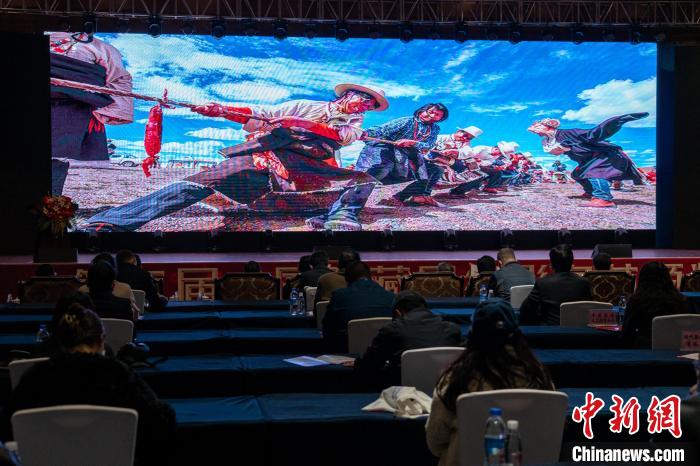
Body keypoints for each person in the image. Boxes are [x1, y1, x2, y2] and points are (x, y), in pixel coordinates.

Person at [84, 83, 388, 232]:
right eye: (364, 99)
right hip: (268, 158)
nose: (365, 106)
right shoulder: (304, 104)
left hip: (308, 168)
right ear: (347, 95)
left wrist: (298, 124)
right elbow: (261, 114)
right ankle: (111, 222)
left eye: (370, 105)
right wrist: (222, 110)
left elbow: (336, 136)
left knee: (363, 180)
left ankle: (335, 215)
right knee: (201, 183)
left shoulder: (355, 126)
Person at [3, 306, 176, 465]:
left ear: (60, 342)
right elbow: (161, 422)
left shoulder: (35, 377)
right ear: (101, 340)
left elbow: (7, 427)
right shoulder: (118, 374)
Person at [426, 299, 554, 466]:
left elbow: (435, 441)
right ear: (517, 335)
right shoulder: (537, 374)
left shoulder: (455, 378)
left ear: (472, 335)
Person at [49, 32, 133, 195]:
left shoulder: (102, 49)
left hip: (72, 111)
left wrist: (107, 109)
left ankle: (50, 206)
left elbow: (119, 78)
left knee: (57, 161)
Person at [527, 113, 649, 207]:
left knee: (595, 172)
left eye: (538, 129)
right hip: (590, 159)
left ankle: (603, 198)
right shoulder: (551, 139)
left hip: (605, 155)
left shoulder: (568, 133)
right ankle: (590, 192)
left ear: (547, 127)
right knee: (577, 174)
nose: (537, 133)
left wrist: (616, 121)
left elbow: (593, 133)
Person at [353, 291, 463, 387]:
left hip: (403, 395)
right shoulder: (451, 329)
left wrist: (357, 362)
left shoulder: (392, 329)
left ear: (397, 313)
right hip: (444, 393)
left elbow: (368, 365)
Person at [356, 103, 449, 206]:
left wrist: (413, 143)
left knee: (435, 170)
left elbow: (429, 144)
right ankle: (350, 201)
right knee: (380, 169)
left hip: (406, 154)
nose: (432, 116)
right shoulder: (407, 121)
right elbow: (383, 130)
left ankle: (413, 196)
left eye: (437, 115)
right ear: (423, 110)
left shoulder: (435, 129)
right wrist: (365, 133)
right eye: (431, 112)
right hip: (383, 148)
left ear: (440, 119)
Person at [322, 261, 395, 352]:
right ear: (370, 276)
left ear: (347, 279)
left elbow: (327, 329)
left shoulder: (339, 296)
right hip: (382, 354)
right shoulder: (391, 297)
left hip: (345, 353)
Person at [622, 261, 691, 348]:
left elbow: (627, 332)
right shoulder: (680, 300)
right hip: (675, 348)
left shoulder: (636, 301)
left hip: (645, 348)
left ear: (642, 279)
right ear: (668, 278)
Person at [519, 244, 592, 325]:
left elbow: (525, 310)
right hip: (578, 331)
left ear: (551, 265)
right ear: (572, 263)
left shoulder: (543, 283)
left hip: (549, 331)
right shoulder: (584, 283)